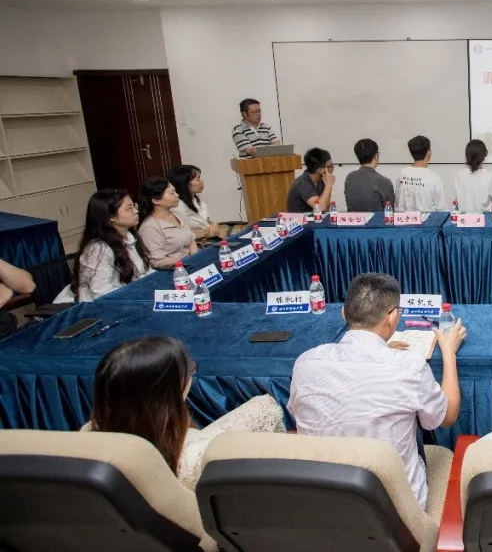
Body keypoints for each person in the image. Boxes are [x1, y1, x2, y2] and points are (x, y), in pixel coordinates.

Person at [289, 273, 467, 508]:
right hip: (395, 508)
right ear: (392, 317)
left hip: (323, 501)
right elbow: (448, 415)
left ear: (343, 313)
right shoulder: (409, 366)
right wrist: (449, 352)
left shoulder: (305, 363)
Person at [87, 336, 285, 491]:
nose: (191, 374)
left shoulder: (86, 437)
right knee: (265, 408)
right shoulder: (197, 460)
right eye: (189, 370)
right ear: (168, 393)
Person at [55, 190, 150, 303]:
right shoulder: (99, 248)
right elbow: (102, 294)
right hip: (104, 306)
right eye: (129, 208)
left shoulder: (129, 236)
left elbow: (143, 271)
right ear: (111, 216)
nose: (136, 211)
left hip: (129, 296)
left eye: (134, 205)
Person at [137, 178, 198, 270]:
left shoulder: (177, 214)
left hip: (191, 262)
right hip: (174, 270)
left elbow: (191, 239)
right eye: (172, 193)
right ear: (156, 200)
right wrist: (185, 262)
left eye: (175, 191)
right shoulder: (149, 227)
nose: (177, 195)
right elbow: (158, 261)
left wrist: (195, 257)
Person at [168, 164, 219, 240]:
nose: (202, 181)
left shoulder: (194, 198)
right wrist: (209, 232)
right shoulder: (178, 206)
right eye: (198, 179)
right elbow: (182, 235)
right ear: (184, 183)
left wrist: (215, 224)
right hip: (199, 242)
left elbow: (206, 220)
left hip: (209, 237)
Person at [344, 138, 396, 213]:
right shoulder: (384, 182)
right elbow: (390, 212)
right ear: (376, 156)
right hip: (376, 220)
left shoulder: (349, 178)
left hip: (352, 220)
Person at [396, 135, 445, 212]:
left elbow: (397, 201)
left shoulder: (402, 173)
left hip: (403, 218)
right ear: (429, 153)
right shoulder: (434, 178)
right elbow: (441, 209)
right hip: (427, 219)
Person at [454, 139, 492, 213]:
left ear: (467, 156)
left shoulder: (459, 174)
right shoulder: (491, 175)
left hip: (463, 218)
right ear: (484, 155)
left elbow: (456, 200)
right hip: (485, 218)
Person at [286, 147, 335, 213]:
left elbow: (326, 207)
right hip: (300, 219)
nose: (333, 168)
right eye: (330, 166)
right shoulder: (302, 183)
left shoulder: (319, 181)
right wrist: (329, 185)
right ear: (320, 170)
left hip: (314, 218)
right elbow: (321, 207)